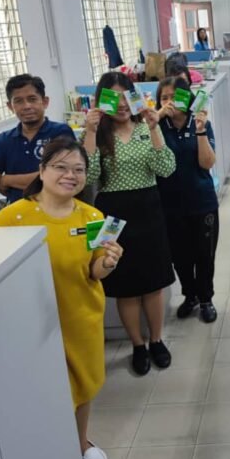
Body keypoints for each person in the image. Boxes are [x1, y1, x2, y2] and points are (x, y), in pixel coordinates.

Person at [0, 137, 123, 459]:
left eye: (78, 170)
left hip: (80, 317)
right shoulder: (12, 217)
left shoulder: (93, 216)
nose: (70, 175)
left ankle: (80, 443)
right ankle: (49, 454)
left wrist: (108, 262)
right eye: (60, 167)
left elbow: (95, 270)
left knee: (83, 384)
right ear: (42, 171)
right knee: (43, 391)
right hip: (30, 324)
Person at [83, 72, 176, 376]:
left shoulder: (145, 127)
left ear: (135, 98)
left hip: (149, 209)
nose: (122, 104)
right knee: (126, 287)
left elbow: (165, 168)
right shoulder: (99, 134)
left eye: (126, 96)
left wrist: (154, 127)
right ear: (101, 101)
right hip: (113, 214)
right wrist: (90, 132)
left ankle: (157, 340)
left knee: (153, 283)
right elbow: (89, 176)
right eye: (113, 98)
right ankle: (137, 344)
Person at [156, 77, 219, 323]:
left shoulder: (200, 122)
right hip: (169, 204)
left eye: (175, 96)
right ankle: (189, 295)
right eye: (164, 97)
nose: (170, 102)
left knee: (204, 255)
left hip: (202, 202)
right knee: (180, 256)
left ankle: (206, 299)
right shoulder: (157, 127)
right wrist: (156, 119)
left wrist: (200, 130)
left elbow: (207, 163)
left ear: (188, 97)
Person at [0, 74, 74, 203]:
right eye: (18, 101)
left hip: (57, 208)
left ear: (45, 102)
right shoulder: (2, 141)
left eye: (32, 99)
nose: (27, 106)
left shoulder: (61, 132)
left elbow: (59, 175)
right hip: (17, 212)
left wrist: (7, 180)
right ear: (10, 106)